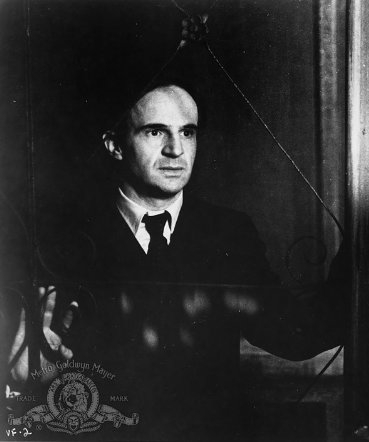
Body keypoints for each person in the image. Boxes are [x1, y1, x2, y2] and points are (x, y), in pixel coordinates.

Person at [6, 81, 348, 440]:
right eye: (155, 132)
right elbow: (33, 384)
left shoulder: (229, 233)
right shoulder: (63, 239)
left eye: (187, 132)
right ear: (114, 145)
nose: (176, 149)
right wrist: (26, 381)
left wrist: (366, 248)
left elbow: (296, 336)